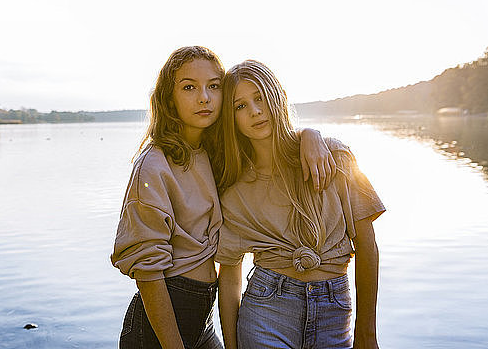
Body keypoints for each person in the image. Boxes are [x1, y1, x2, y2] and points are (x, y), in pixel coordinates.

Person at [110, 47, 334, 349]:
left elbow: (272, 145)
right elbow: (148, 272)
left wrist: (310, 134)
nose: (204, 97)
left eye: (213, 86)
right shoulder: (154, 166)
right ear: (169, 99)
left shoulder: (213, 154)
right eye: (189, 87)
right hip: (161, 323)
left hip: (201, 319)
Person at [216, 60, 386, 349]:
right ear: (231, 119)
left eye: (260, 98)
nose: (255, 111)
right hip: (265, 312)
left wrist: (367, 332)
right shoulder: (235, 190)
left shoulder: (334, 158)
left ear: (277, 97)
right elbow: (230, 272)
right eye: (240, 106)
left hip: (334, 312)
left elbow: (367, 245)